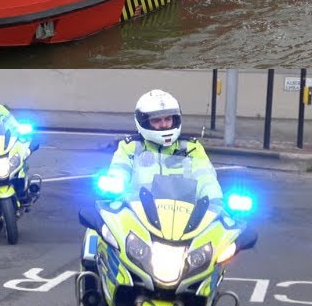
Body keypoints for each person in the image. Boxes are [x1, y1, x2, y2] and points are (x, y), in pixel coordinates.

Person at [81, 90, 223, 277]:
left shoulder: (192, 149)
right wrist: (114, 184)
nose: (164, 125)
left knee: (214, 254)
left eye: (168, 119)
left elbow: (206, 178)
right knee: (95, 238)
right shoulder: (130, 147)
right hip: (137, 218)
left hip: (184, 222)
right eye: (157, 121)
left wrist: (216, 200)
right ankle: (92, 293)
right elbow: (119, 170)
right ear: (144, 122)